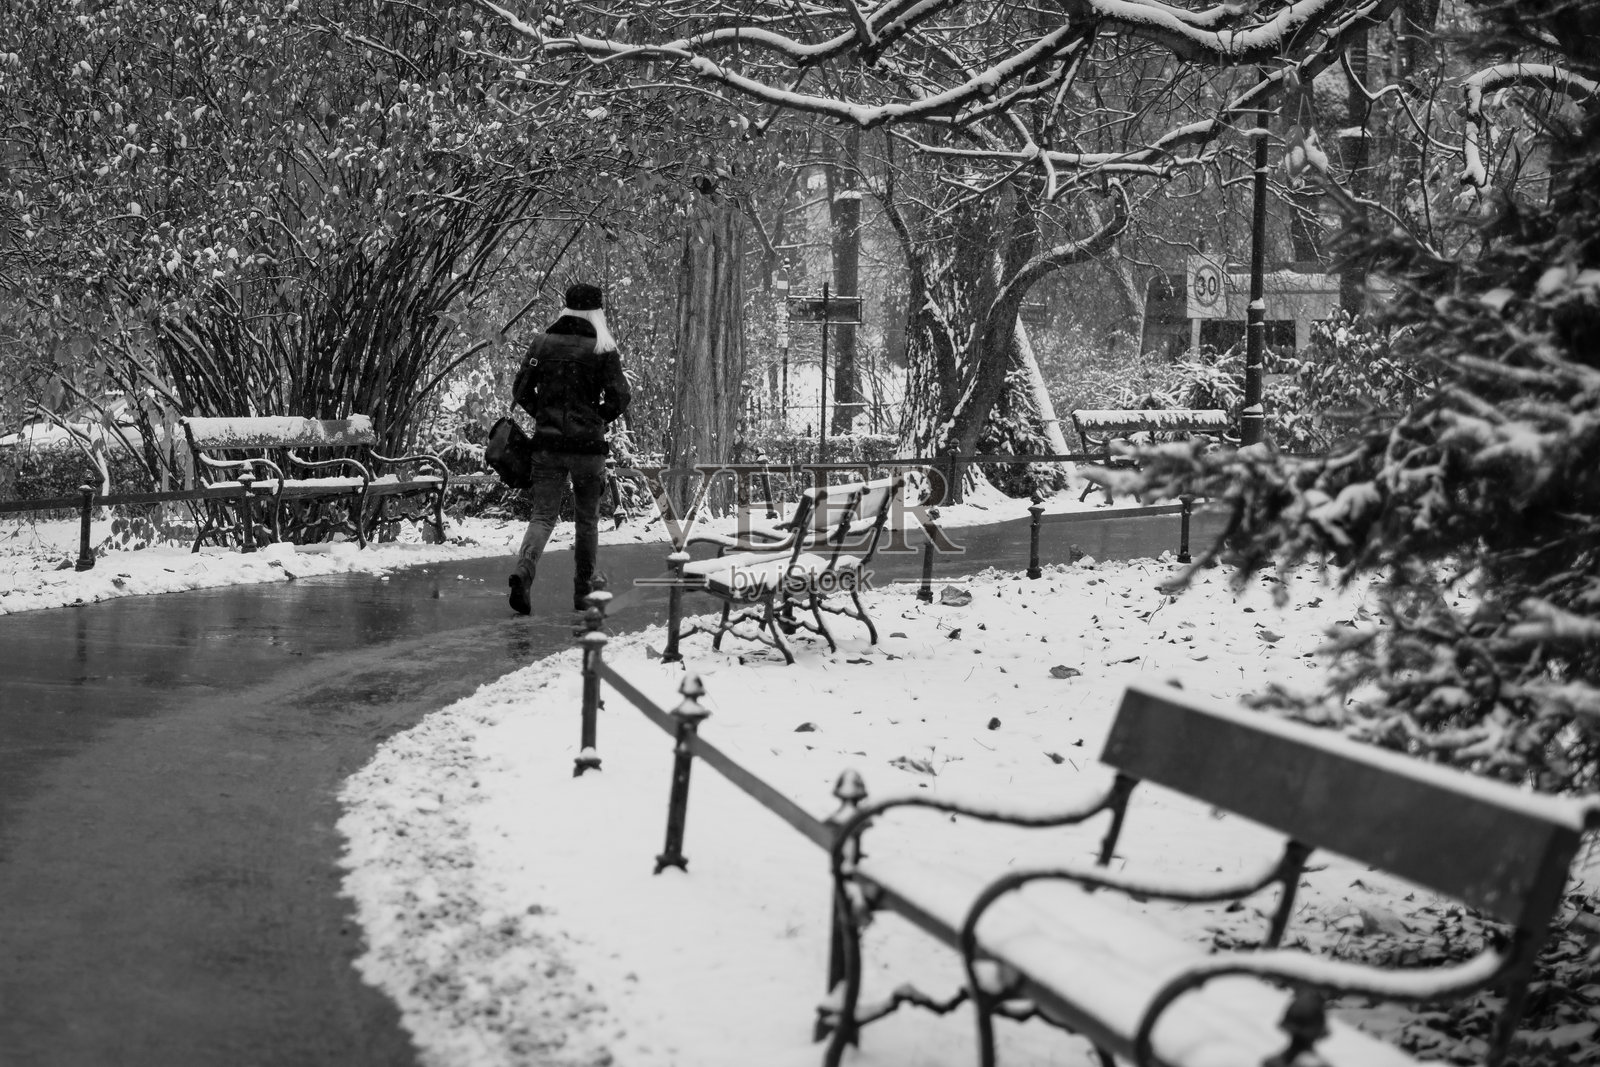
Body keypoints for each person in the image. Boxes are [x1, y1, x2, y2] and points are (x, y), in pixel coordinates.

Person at [508, 282, 631, 615]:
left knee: (543, 516)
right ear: (596, 312)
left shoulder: (543, 343)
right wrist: (597, 419)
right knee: (587, 521)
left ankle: (524, 570)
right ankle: (583, 592)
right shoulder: (602, 348)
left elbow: (521, 390)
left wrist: (544, 416)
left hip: (547, 445)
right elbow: (621, 396)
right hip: (588, 449)